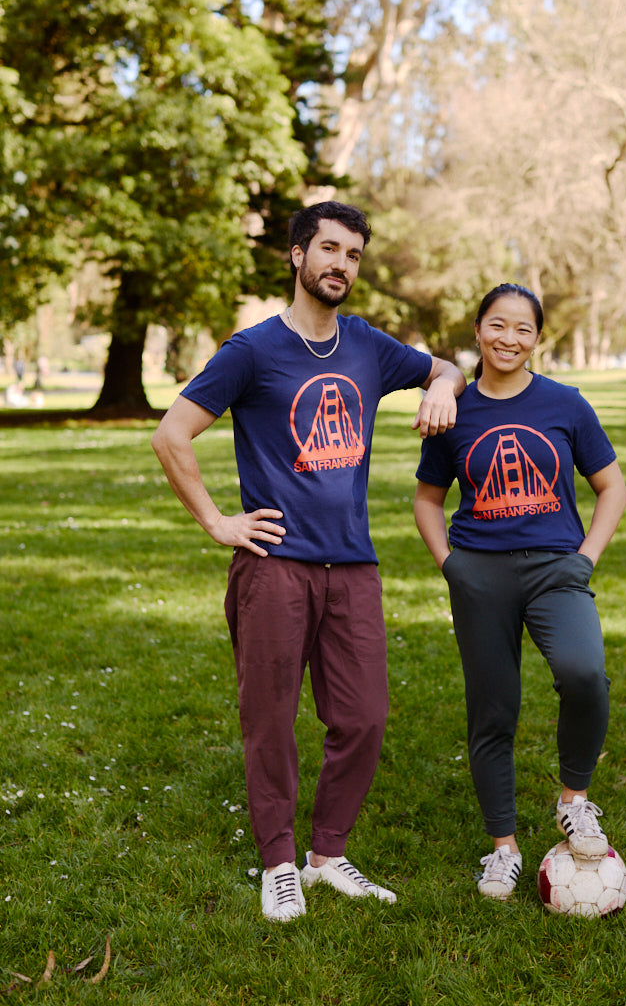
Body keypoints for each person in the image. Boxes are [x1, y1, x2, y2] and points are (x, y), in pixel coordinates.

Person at [151, 201, 466, 922]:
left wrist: (444, 384)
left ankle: (328, 855)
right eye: (329, 249)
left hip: (352, 565)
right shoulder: (252, 350)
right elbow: (172, 434)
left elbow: (444, 365)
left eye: (353, 255)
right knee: (270, 719)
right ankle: (279, 863)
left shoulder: (367, 346)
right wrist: (217, 522)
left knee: (364, 718)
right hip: (274, 565)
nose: (341, 266)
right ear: (297, 255)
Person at [414, 284, 626, 901]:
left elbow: (611, 487)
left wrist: (584, 558)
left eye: (524, 330)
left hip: (557, 569)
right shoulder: (453, 410)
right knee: (494, 707)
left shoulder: (565, 403)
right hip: (479, 571)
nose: (509, 339)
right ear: (478, 330)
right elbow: (428, 500)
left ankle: (575, 799)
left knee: (584, 672)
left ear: (538, 339)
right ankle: (502, 848)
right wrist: (451, 565)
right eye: (497, 326)